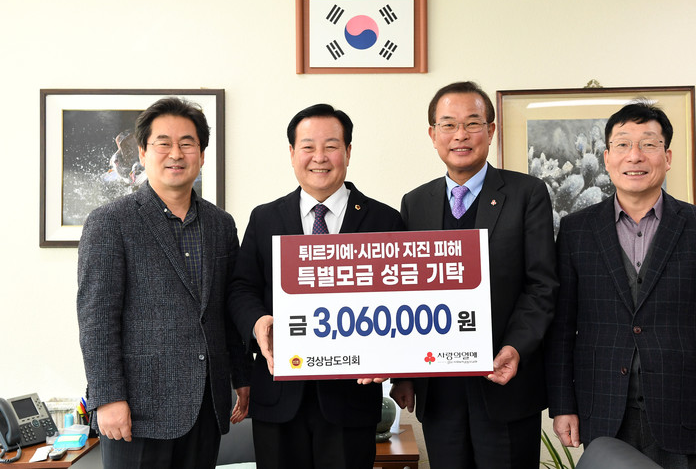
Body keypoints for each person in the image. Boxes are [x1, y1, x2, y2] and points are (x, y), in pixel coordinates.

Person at [545, 101, 696, 468]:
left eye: (649, 144)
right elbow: (561, 329)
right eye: (622, 144)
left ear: (667, 157)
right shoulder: (576, 230)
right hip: (603, 410)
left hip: (686, 414)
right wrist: (563, 405)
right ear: (607, 158)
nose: (634, 155)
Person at [390, 81, 558, 468]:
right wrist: (404, 372)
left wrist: (515, 347)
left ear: (491, 130)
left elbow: (542, 285)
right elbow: (405, 293)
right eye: (448, 124)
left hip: (505, 381)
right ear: (433, 134)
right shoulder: (415, 203)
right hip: (439, 389)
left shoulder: (527, 194)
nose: (460, 135)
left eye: (472, 123)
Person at [77, 97, 252, 469]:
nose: (176, 153)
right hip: (136, 411)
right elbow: (97, 319)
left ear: (201, 155)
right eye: (163, 143)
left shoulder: (221, 224)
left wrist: (242, 376)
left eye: (187, 143)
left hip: (206, 405)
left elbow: (227, 309)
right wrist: (107, 398)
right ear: (143, 152)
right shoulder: (110, 222)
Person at [228, 103, 404, 469]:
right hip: (277, 395)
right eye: (308, 147)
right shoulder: (265, 218)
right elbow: (242, 288)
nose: (319, 157)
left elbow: (404, 300)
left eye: (331, 146)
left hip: (351, 399)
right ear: (292, 153)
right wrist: (257, 322)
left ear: (348, 152)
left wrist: (394, 359)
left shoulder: (384, 220)